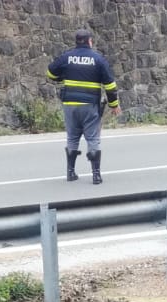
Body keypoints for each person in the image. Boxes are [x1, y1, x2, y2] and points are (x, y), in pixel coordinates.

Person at [46, 29, 120, 185]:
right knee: (93, 138)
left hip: (70, 105)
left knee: (72, 138)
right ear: (90, 41)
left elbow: (50, 73)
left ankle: (70, 173)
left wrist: (63, 76)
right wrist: (114, 105)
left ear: (76, 41)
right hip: (90, 106)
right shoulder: (98, 60)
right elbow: (110, 86)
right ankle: (96, 175)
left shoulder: (67, 57)